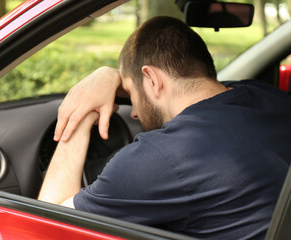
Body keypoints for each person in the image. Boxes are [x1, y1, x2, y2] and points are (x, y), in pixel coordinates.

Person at [38, 16, 291, 239]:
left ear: (152, 79)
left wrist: (82, 112)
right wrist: (117, 77)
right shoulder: (267, 96)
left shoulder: (163, 156)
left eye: (130, 93)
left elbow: (47, 227)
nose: (134, 111)